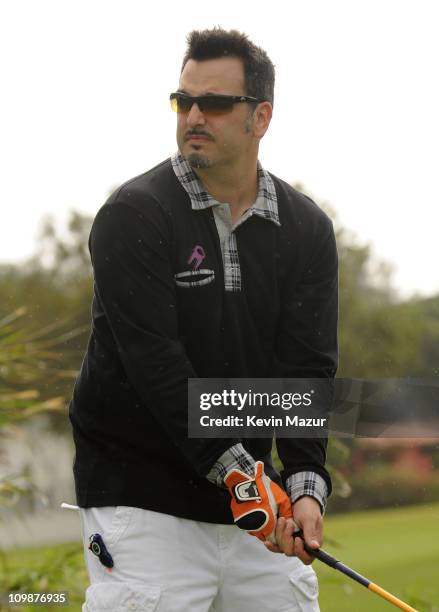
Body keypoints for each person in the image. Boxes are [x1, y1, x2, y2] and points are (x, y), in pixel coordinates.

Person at [69, 27, 338, 612]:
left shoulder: (307, 230)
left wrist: (305, 486)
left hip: (252, 511)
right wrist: (247, 479)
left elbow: (306, 371)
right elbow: (159, 372)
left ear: (260, 117)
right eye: (183, 100)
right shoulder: (133, 215)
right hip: (141, 501)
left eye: (214, 104)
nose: (193, 115)